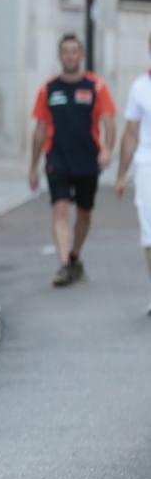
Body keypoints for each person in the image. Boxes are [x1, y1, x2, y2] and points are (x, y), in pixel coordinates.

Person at [28, 35, 118, 287]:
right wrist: (32, 167)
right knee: (60, 207)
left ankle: (75, 254)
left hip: (88, 158)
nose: (69, 56)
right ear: (59, 55)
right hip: (57, 157)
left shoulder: (96, 87)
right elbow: (40, 128)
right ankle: (65, 263)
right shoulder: (49, 89)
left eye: (74, 51)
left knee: (84, 212)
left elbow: (110, 120)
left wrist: (108, 150)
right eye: (65, 51)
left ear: (81, 55)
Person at [116, 33, 151, 315]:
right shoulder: (140, 87)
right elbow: (130, 133)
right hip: (147, 166)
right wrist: (120, 174)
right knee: (150, 233)